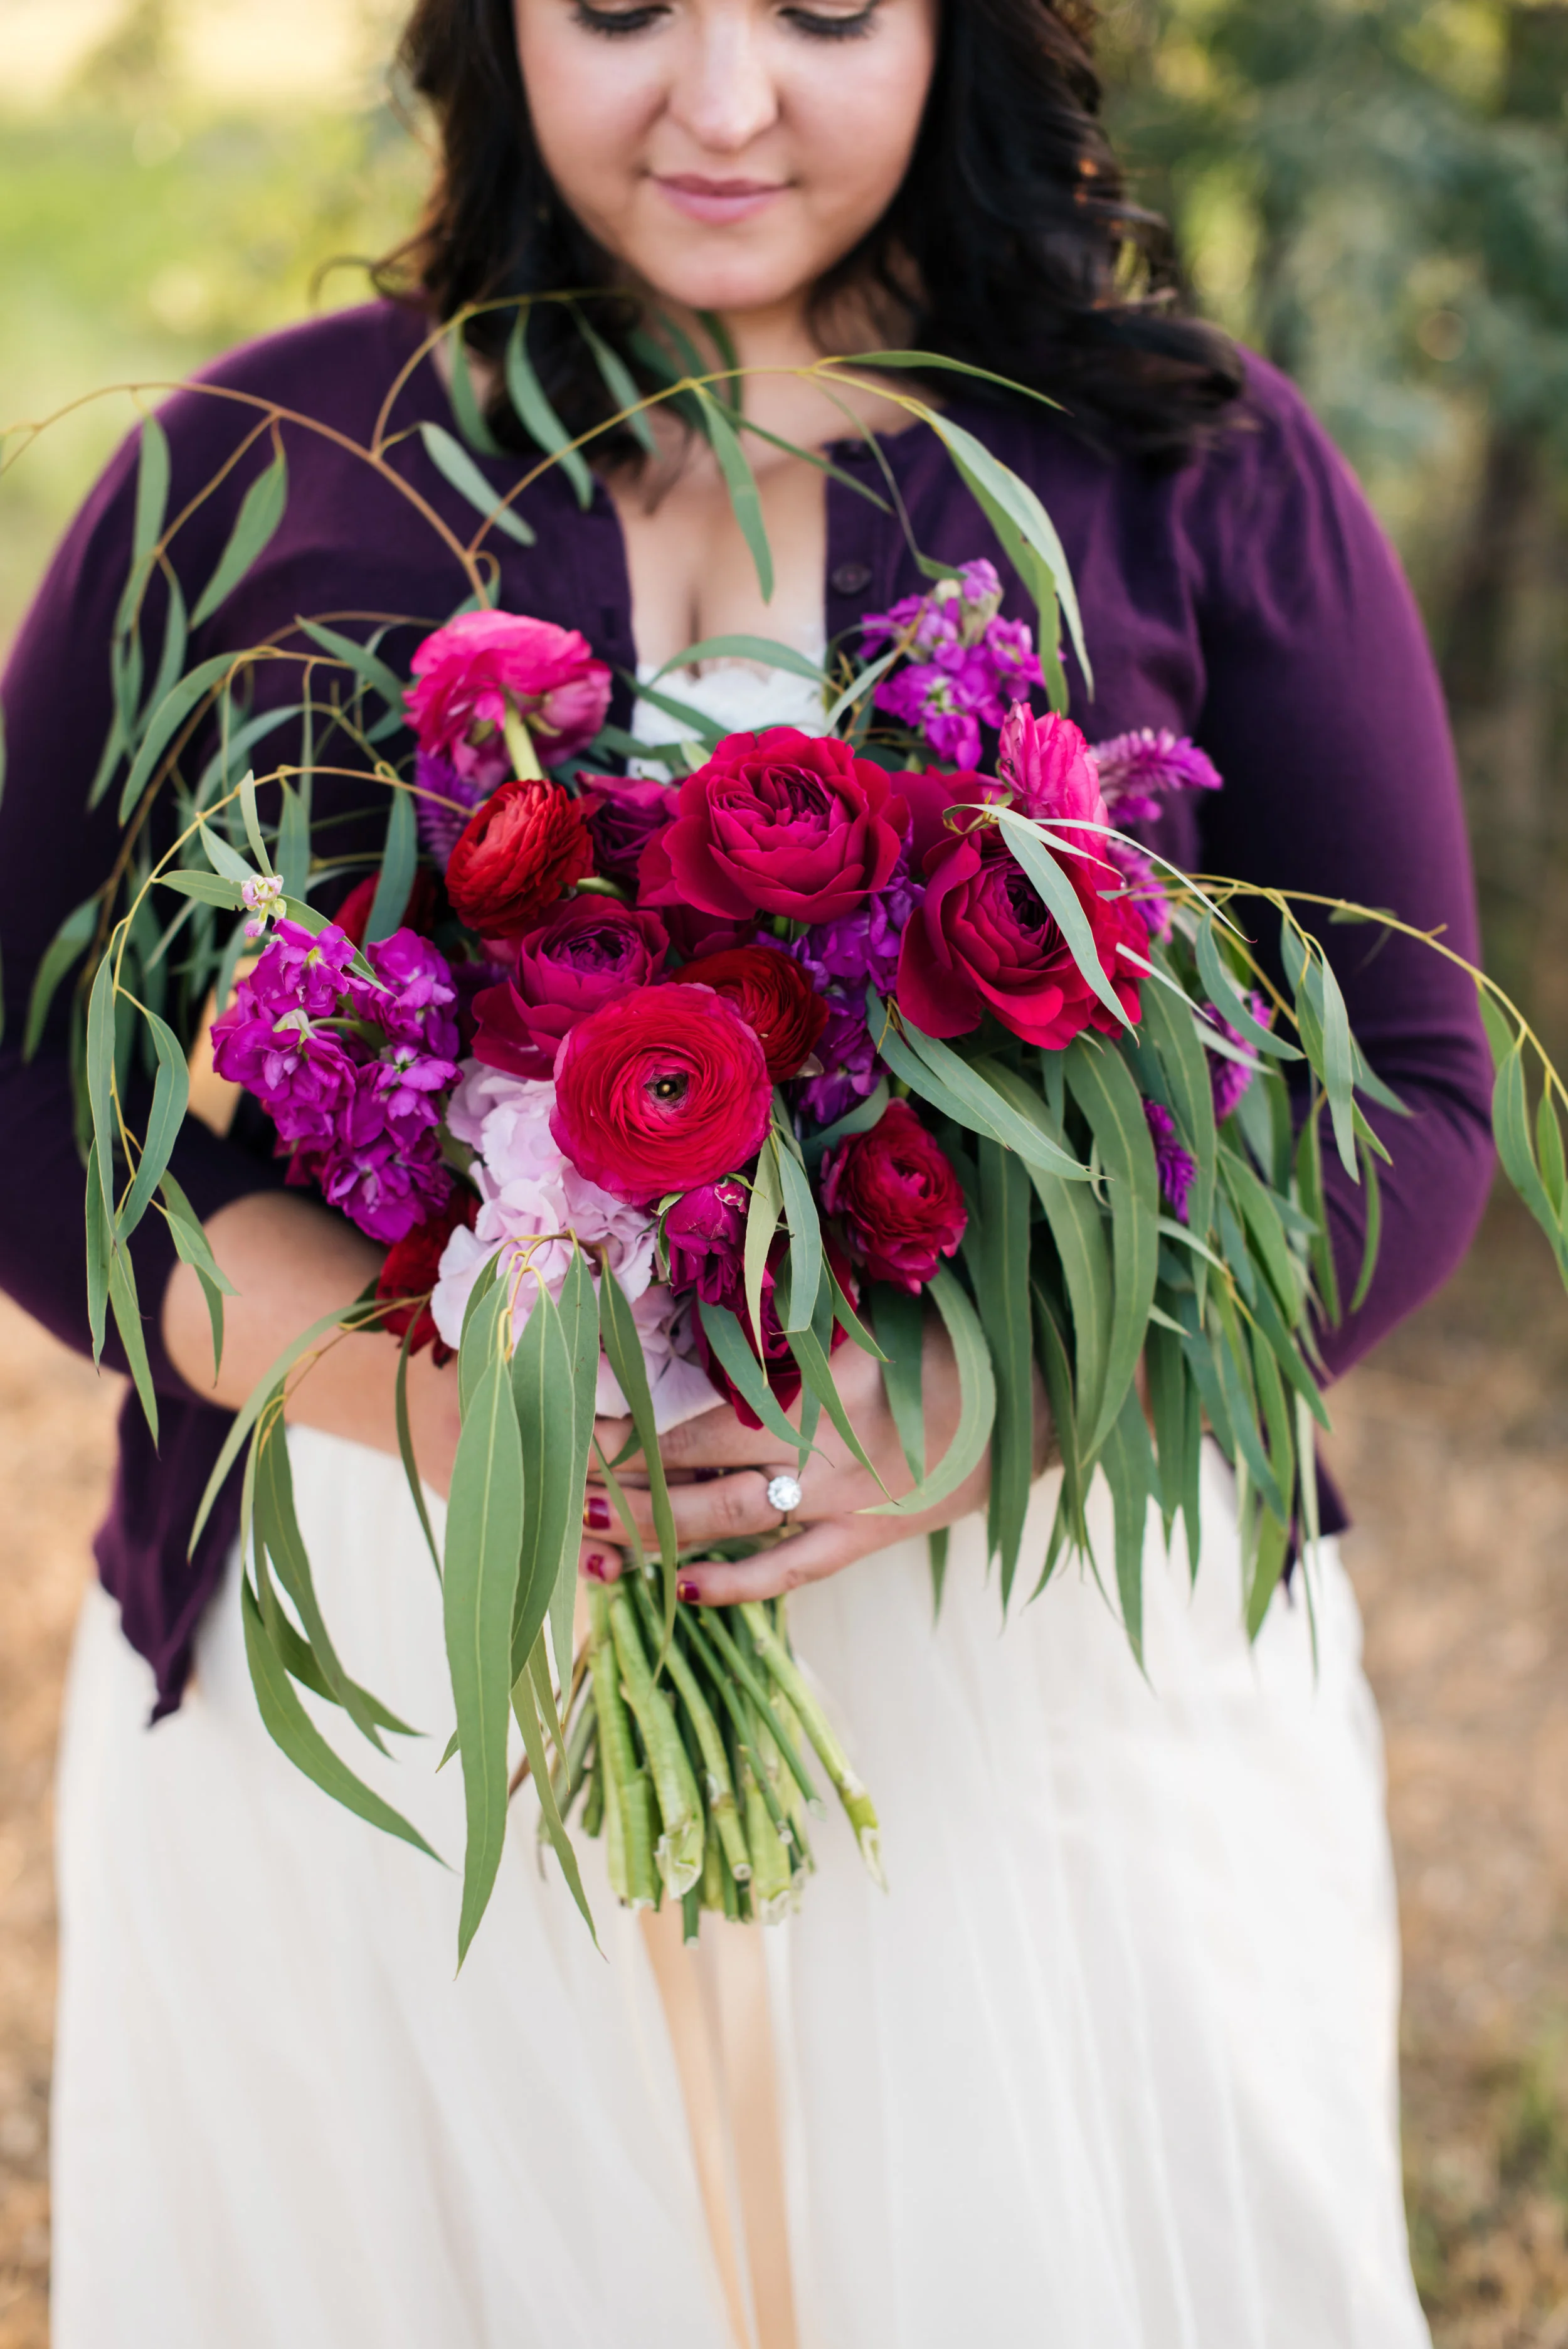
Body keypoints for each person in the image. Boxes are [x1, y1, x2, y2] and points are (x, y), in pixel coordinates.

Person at [0, 0, 1494, 2340]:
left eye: (820, 7)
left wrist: (995, 1397)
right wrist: (445, 1411)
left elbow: (1403, 1091)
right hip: (398, 1698)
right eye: (616, 7)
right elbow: (36, 1099)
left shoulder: (1191, 466)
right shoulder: (262, 463)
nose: (717, 102)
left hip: (1041, 1671)